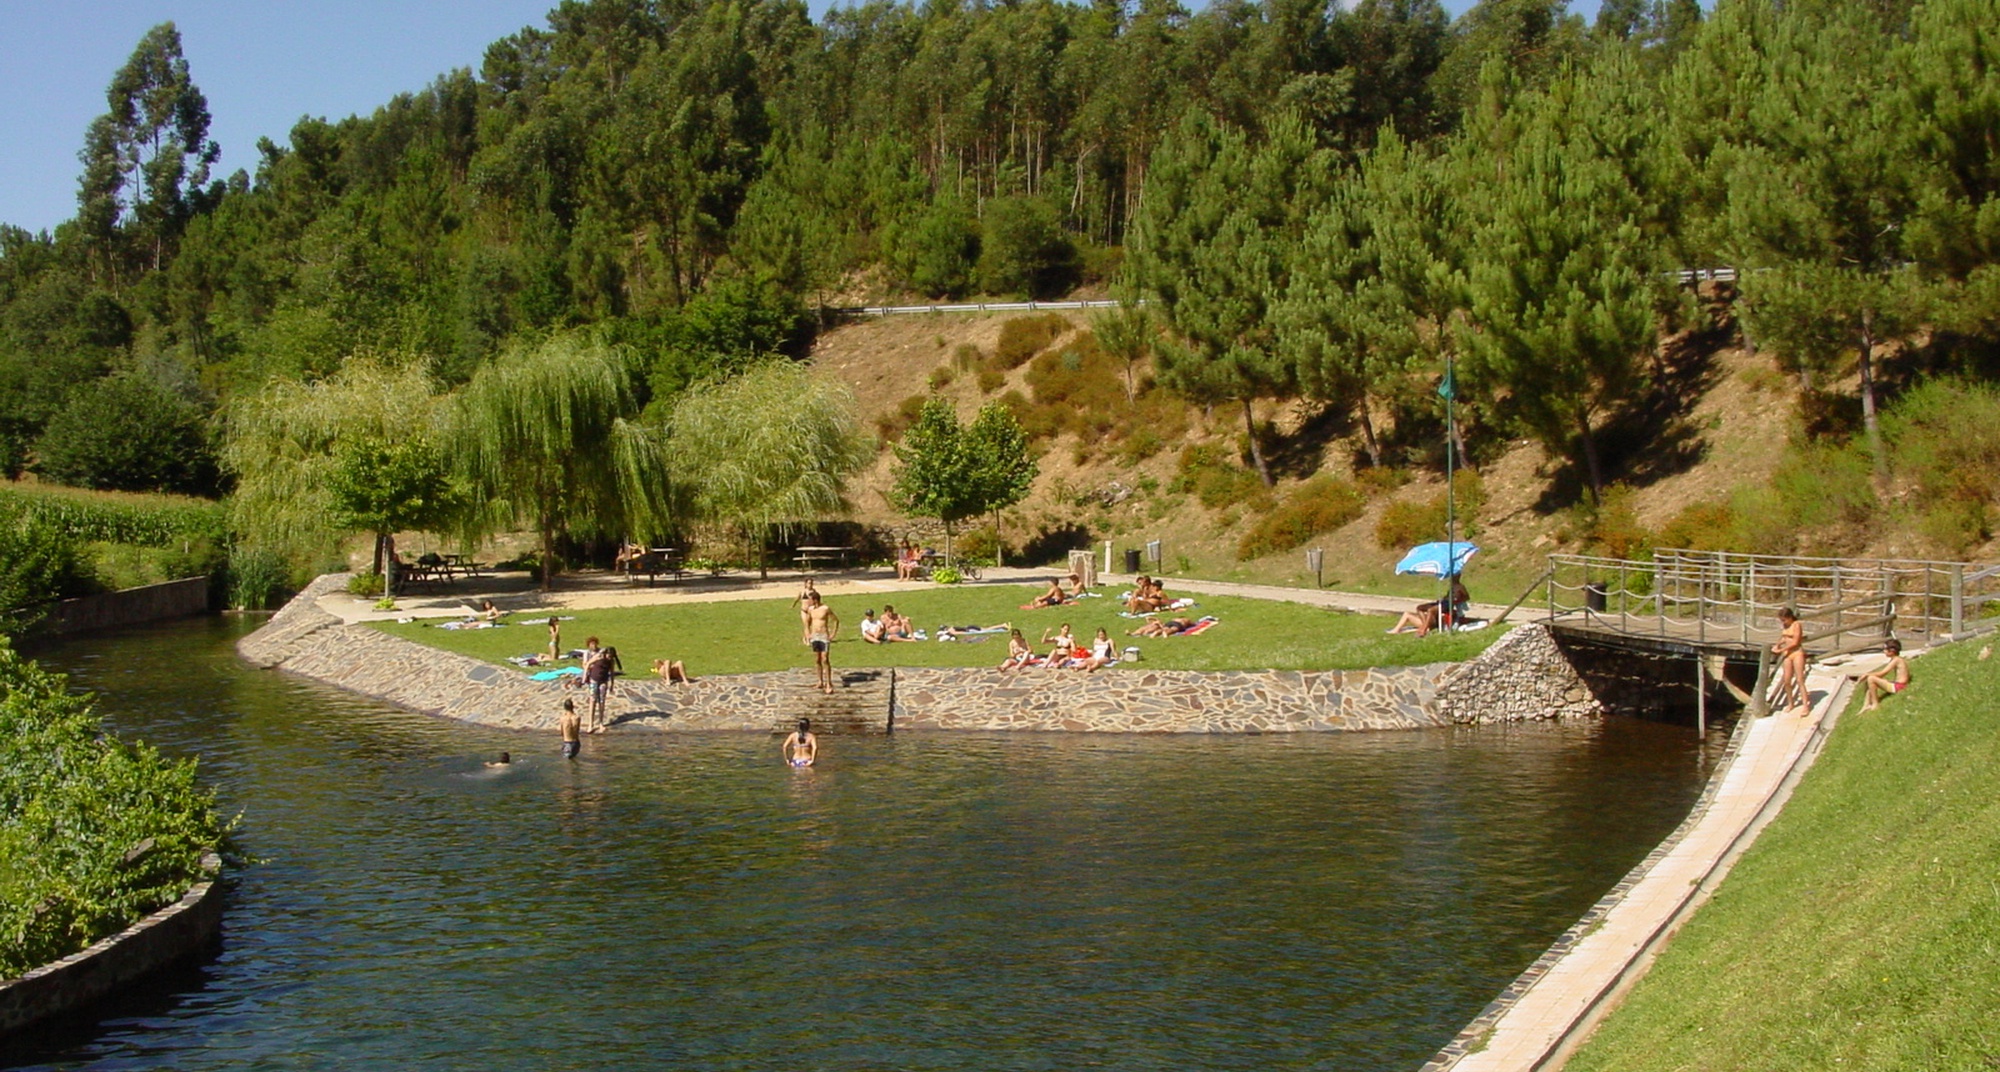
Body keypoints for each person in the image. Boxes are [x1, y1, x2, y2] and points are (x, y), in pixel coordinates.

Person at [1771, 607, 1809, 714]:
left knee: (1799, 679)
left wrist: (1782, 649)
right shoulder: (1785, 625)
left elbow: (1795, 642)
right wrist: (1777, 645)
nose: (1783, 622)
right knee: (1787, 680)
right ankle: (1790, 702)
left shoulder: (1797, 625)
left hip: (1797, 653)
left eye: (1784, 620)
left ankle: (1805, 705)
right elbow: (1784, 638)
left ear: (1789, 617)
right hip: (1788, 654)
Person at [801, 591, 840, 694]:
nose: (808, 602)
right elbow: (807, 623)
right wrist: (807, 634)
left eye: (810, 600)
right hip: (815, 636)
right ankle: (820, 681)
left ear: (815, 600)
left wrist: (833, 634)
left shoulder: (825, 609)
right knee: (817, 659)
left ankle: (829, 683)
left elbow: (835, 620)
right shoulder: (810, 610)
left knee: (825, 659)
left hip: (824, 636)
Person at [1860, 638, 1909, 712]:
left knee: (1871, 679)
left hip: (1898, 687)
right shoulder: (1895, 659)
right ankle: (1866, 705)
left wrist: (1867, 674)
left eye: (1885, 649)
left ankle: (1875, 704)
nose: (1884, 651)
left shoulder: (1897, 660)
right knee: (1869, 680)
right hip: (1896, 684)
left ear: (1892, 651)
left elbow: (1883, 673)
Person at [584, 645, 622, 732]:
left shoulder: (611, 662)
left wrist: (611, 684)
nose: (609, 658)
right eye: (609, 656)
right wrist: (585, 676)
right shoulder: (599, 656)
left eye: (611, 656)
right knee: (593, 701)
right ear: (606, 654)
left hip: (603, 681)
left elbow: (611, 673)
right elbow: (588, 664)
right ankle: (591, 724)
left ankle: (601, 723)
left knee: (602, 701)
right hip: (594, 680)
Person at [1129, 616, 1197, 638]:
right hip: (1178, 625)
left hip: (1169, 623)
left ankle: (1157, 632)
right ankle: (1166, 633)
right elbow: (1193, 624)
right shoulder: (1186, 620)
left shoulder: (1174, 618)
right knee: (1173, 629)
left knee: (1165, 628)